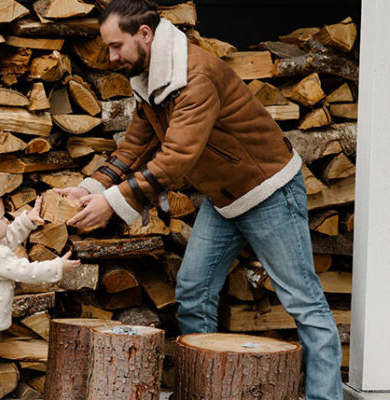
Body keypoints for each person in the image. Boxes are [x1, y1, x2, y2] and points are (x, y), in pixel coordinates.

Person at [54, 1, 342, 398]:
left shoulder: (194, 77)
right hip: (224, 197)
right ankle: (204, 389)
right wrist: (90, 188)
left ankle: (326, 397)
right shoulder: (151, 77)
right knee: (193, 288)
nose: (112, 56)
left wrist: (115, 203)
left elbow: (176, 157)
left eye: (117, 45)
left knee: (303, 301)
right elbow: (136, 145)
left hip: (268, 191)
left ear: (145, 34)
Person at [0, 193, 80, 400]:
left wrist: (26, 221)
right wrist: (58, 266)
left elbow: (8, 238)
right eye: (2, 218)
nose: (7, 221)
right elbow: (25, 272)